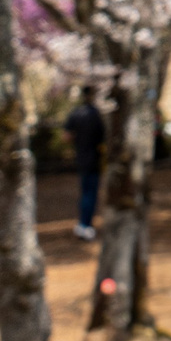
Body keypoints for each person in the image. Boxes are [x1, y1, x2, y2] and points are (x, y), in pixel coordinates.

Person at [66, 90, 106, 242]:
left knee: (85, 193)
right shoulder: (96, 115)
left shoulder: (75, 113)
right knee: (91, 193)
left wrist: (77, 141)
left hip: (82, 159)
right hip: (94, 160)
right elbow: (103, 137)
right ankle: (86, 224)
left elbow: (66, 136)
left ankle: (83, 224)